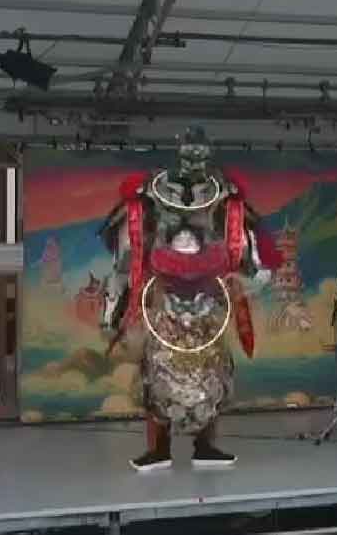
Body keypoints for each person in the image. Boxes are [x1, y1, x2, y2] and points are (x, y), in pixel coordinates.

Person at [100, 129, 277, 472]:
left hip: (209, 307)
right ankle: (158, 449)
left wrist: (245, 282)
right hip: (162, 303)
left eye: (200, 154)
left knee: (212, 379)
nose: (194, 161)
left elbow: (255, 267)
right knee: (156, 378)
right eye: (188, 153)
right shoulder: (149, 197)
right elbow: (123, 263)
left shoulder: (227, 200)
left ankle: (205, 446)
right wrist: (111, 314)